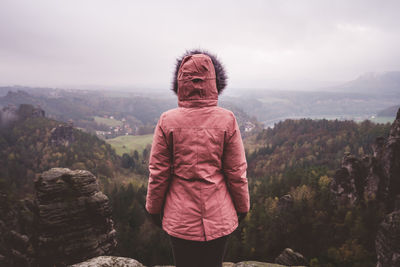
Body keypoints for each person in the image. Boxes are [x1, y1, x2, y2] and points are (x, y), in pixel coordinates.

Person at [145, 49, 250, 267]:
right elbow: (236, 172)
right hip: (220, 215)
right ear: (214, 83)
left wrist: (154, 210)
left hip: (180, 219)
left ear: (180, 83)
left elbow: (158, 173)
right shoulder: (227, 120)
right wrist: (242, 208)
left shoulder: (167, 121)